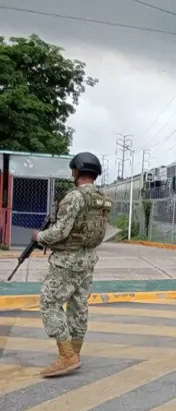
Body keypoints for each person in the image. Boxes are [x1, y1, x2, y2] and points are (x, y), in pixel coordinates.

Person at [34, 152, 111, 378]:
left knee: (49, 303)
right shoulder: (102, 198)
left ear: (77, 171)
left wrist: (40, 237)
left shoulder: (75, 197)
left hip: (67, 261)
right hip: (88, 260)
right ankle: (74, 353)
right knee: (79, 307)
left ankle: (67, 356)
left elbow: (61, 231)